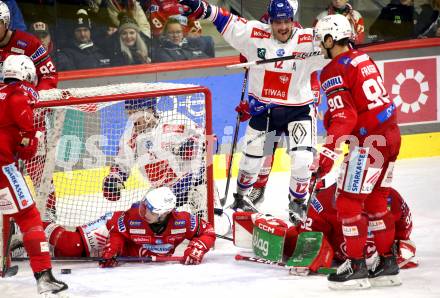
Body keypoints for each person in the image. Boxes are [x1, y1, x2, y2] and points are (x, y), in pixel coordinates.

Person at [178, 0, 325, 224]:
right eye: (278, 22)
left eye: (287, 21)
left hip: (298, 110)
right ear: (270, 21)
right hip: (265, 112)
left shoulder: (310, 39)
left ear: (293, 20)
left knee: (302, 158)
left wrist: (343, 36)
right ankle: (242, 197)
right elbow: (223, 18)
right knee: (253, 157)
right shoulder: (254, 33)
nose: (283, 27)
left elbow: (339, 45)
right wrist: (200, 7)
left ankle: (297, 203)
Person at [314, 14, 402, 289]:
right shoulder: (363, 57)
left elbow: (345, 118)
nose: (319, 45)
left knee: (348, 202)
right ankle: (387, 262)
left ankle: (356, 265)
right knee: (377, 200)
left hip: (368, 145)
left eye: (322, 39)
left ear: (330, 39)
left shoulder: (331, 71)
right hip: (391, 137)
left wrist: (327, 156)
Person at [0, 54, 68, 295]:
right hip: (2, 167)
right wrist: (34, 137)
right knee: (29, 217)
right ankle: (44, 277)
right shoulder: (22, 94)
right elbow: (28, 149)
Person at [281, 174, 416, 269]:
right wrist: (313, 251)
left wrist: (399, 248)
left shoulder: (392, 199)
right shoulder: (323, 202)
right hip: (338, 256)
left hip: (368, 260)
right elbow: (308, 236)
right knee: (289, 241)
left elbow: (404, 232)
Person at [102, 98, 207, 216]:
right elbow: (123, 162)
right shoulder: (131, 134)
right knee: (139, 219)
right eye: (129, 114)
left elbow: (208, 139)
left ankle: (226, 217)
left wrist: (194, 145)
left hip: (193, 183)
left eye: (134, 113)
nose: (131, 119)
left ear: (147, 112)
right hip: (163, 191)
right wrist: (114, 178)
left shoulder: (173, 120)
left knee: (209, 220)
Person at [99, 186, 215, 266]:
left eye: (152, 212)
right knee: (81, 243)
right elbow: (117, 232)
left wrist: (197, 249)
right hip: (106, 227)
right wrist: (112, 249)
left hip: (130, 254)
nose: (145, 213)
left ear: (164, 214)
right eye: (145, 207)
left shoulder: (182, 221)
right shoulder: (133, 216)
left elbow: (208, 231)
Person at [0, 1, 57, 90]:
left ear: (6, 23)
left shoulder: (29, 43)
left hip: (21, 99)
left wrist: (36, 98)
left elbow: (48, 76)